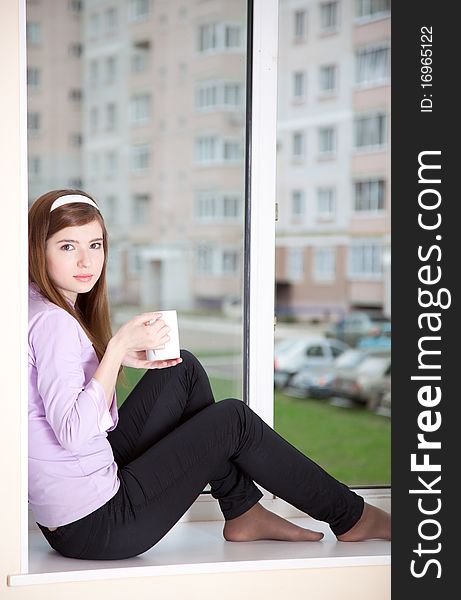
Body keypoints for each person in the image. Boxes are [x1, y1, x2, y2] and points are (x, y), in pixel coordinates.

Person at [28, 189, 391, 561]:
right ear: (38, 250)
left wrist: (112, 360)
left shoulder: (33, 304)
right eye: (67, 247)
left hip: (71, 515)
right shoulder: (55, 323)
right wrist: (117, 348)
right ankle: (352, 517)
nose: (86, 260)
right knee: (233, 420)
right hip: (100, 524)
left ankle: (242, 510)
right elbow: (72, 432)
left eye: (95, 244)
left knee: (181, 369)